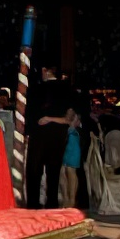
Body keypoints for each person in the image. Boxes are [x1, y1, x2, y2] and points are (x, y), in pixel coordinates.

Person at [25, 64, 75, 209]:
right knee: (54, 170)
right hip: (58, 134)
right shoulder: (66, 88)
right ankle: (52, 202)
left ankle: (33, 203)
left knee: (35, 170)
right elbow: (69, 116)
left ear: (45, 71)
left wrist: (28, 131)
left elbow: (30, 114)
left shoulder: (36, 89)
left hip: (39, 133)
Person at [62, 109, 82, 208]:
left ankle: (72, 199)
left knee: (71, 171)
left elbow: (75, 124)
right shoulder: (64, 118)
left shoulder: (75, 116)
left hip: (73, 145)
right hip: (65, 147)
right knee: (62, 172)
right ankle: (66, 197)